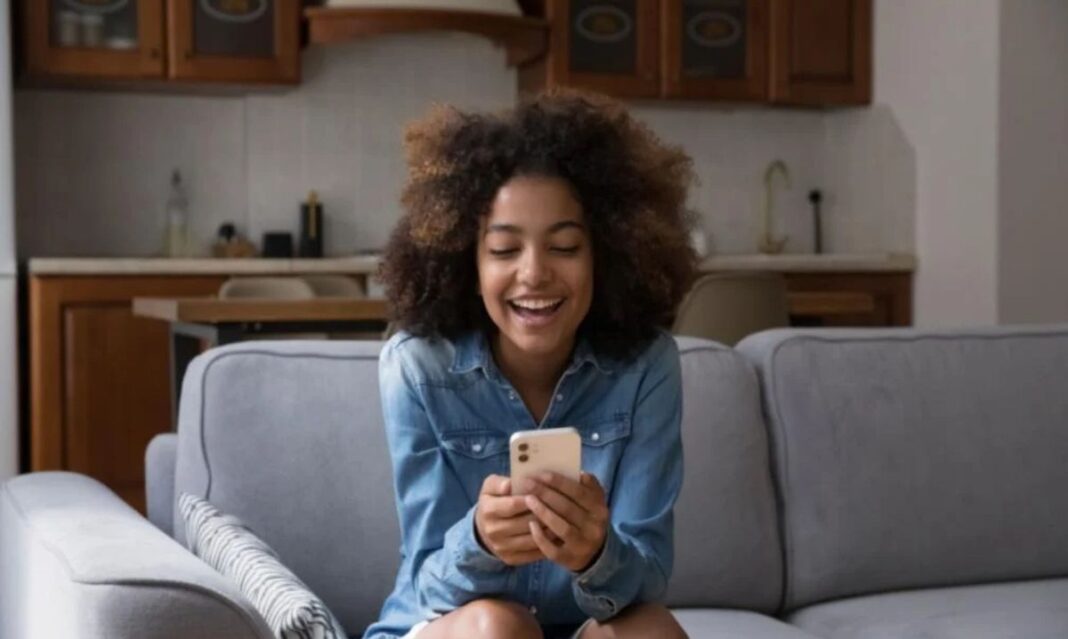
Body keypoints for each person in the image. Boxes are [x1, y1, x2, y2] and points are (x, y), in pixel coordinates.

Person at [365, 90, 697, 639]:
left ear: (606, 255)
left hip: (578, 627)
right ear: (466, 262)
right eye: (503, 250)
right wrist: (479, 541)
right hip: (452, 628)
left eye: (564, 247)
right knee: (500, 626)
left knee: (653, 630)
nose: (534, 273)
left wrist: (596, 553)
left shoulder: (647, 366)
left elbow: (649, 576)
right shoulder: (418, 368)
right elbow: (426, 581)